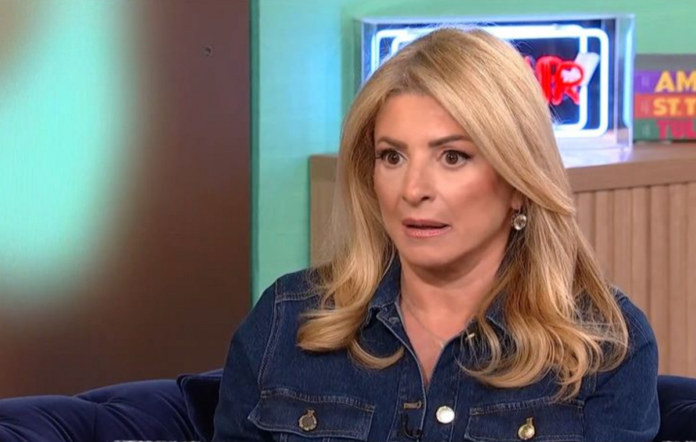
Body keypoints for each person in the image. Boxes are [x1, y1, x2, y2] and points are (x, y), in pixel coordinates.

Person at [212, 27, 659, 442]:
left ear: (518, 184)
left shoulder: (605, 349)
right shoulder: (285, 322)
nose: (413, 190)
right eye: (392, 157)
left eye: (452, 157)